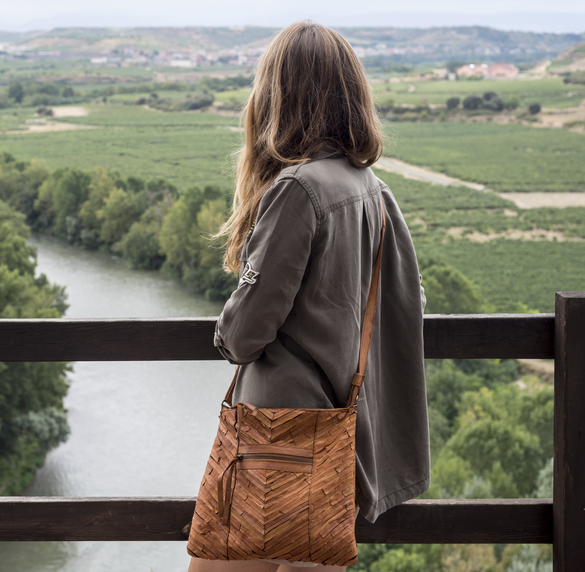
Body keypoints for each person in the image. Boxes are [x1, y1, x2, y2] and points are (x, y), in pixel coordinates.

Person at [188, 21, 430, 572]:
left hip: (278, 436)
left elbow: (244, 333)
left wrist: (228, 322)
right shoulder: (373, 190)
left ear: (279, 97)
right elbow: (402, 306)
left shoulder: (299, 190)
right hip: (339, 438)